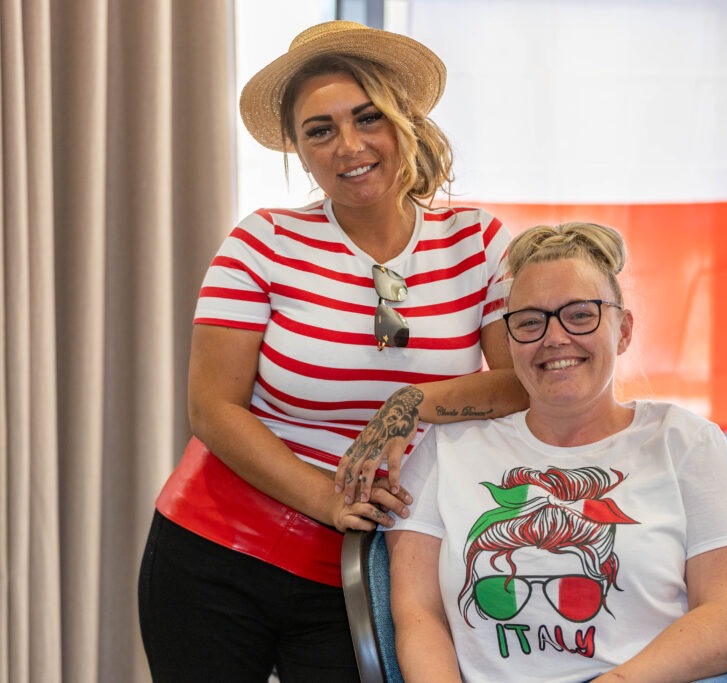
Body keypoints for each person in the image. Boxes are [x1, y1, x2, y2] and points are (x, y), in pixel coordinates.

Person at [137, 20, 526, 682]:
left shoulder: (477, 241)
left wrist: (410, 402)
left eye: (368, 117)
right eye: (320, 130)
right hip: (215, 553)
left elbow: (519, 383)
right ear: (298, 148)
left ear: (405, 120)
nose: (349, 145)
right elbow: (212, 407)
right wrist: (327, 498)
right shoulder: (260, 243)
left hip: (372, 566)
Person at [385, 222, 727, 682]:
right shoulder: (447, 449)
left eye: (580, 315)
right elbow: (418, 616)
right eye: (529, 322)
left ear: (623, 331)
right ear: (510, 343)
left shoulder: (686, 440)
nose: (555, 337)